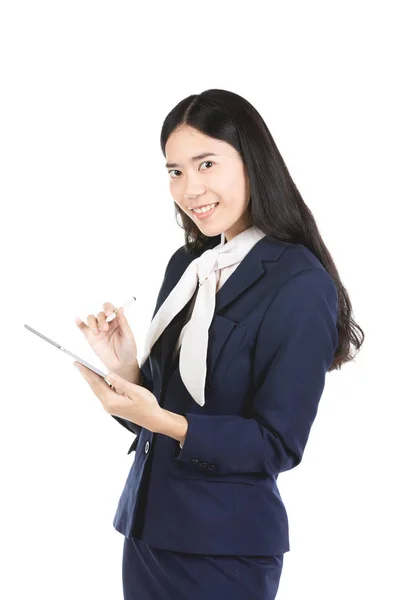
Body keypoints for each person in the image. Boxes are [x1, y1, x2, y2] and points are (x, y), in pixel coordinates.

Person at [74, 89, 365, 600]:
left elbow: (278, 444)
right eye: (175, 172)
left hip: (223, 552)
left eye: (206, 164)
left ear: (251, 160)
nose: (191, 188)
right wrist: (127, 371)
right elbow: (166, 412)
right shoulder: (187, 266)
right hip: (147, 534)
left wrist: (163, 419)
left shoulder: (299, 283)